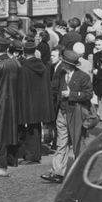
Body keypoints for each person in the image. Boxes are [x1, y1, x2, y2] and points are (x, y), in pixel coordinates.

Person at [41, 50, 93, 184]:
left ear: (70, 64)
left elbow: (88, 94)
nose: (63, 64)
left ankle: (80, 173)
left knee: (77, 144)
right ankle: (57, 172)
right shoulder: (61, 74)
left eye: (65, 63)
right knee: (61, 144)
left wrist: (72, 94)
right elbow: (54, 89)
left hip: (75, 113)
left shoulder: (83, 76)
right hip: (62, 113)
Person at [0, 37, 21, 177]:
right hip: (13, 101)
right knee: (10, 130)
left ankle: (1, 164)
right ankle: (13, 159)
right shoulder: (16, 63)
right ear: (7, 48)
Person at [16, 40, 53, 164]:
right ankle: (35, 154)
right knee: (36, 128)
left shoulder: (24, 68)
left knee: (31, 131)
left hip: (29, 103)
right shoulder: (43, 66)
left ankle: (31, 156)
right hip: (41, 103)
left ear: (24, 52)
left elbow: (22, 89)